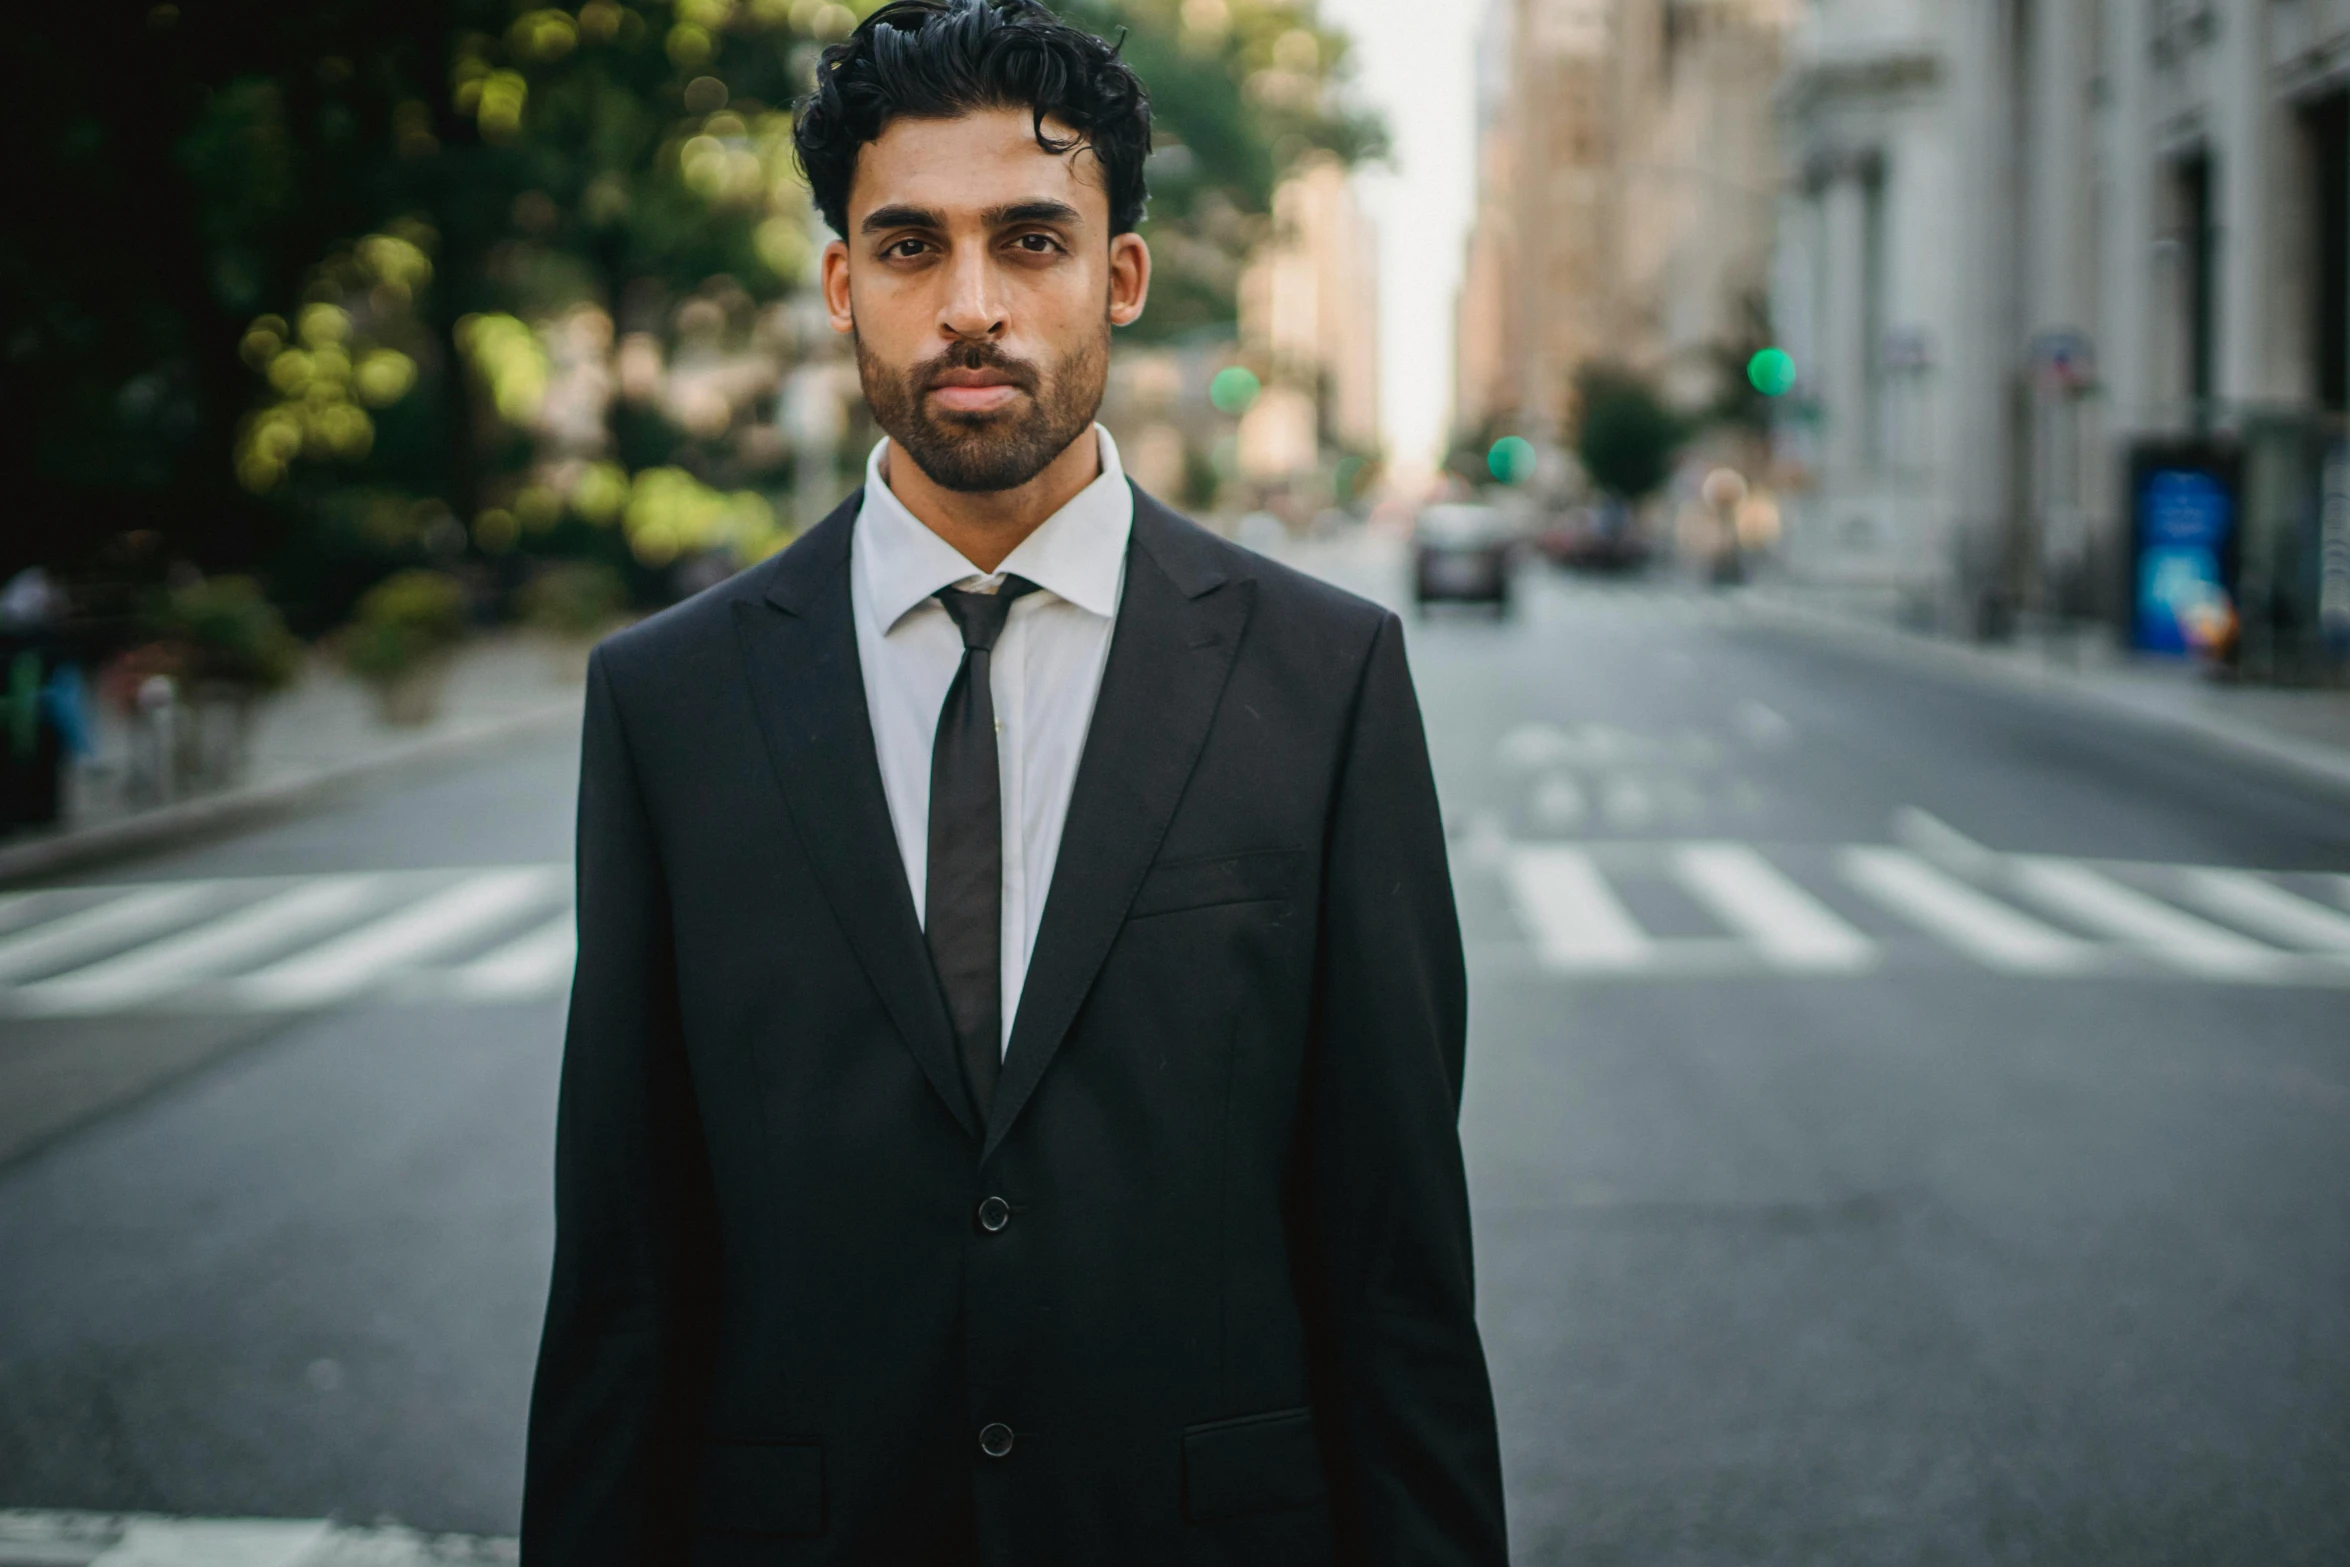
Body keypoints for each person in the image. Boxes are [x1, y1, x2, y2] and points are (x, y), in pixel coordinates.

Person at [520, 2, 1507, 1562]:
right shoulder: (668, 702)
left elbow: (1394, 1273)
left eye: (1030, 241)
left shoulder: (1324, 680)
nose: (970, 305)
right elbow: (624, 1280)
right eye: (910, 246)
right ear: (844, 283)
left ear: (1117, 276)